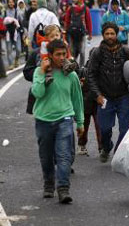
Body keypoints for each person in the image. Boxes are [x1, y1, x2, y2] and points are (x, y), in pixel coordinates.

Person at [31, 39, 84, 204]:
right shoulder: (40, 72)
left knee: (64, 156)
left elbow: (77, 99)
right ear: (50, 56)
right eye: (58, 54)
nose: (62, 57)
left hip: (65, 119)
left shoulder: (72, 74)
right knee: (46, 157)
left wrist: (80, 122)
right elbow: (38, 93)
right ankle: (48, 184)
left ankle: (63, 189)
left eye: (64, 54)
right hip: (43, 120)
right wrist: (41, 73)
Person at [87, 22, 129, 163]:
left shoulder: (125, 51)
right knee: (105, 128)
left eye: (112, 33)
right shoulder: (97, 53)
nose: (110, 36)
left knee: (125, 128)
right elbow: (91, 75)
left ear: (117, 34)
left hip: (123, 97)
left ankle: (118, 153)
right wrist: (98, 95)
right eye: (107, 34)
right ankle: (107, 147)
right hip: (105, 98)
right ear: (103, 35)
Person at [64, 0, 92, 65]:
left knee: (82, 52)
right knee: (72, 51)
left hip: (82, 33)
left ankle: (81, 68)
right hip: (71, 33)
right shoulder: (70, 9)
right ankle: (72, 67)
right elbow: (66, 20)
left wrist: (90, 33)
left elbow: (88, 21)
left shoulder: (86, 9)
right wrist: (65, 31)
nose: (73, 0)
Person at [4, 0, 23, 68]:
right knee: (9, 50)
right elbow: (2, 21)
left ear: (14, 3)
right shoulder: (5, 12)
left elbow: (21, 21)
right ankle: (10, 64)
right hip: (8, 33)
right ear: (8, 3)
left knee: (19, 49)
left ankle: (16, 59)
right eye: (9, 2)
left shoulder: (17, 12)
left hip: (16, 33)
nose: (11, 3)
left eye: (12, 2)